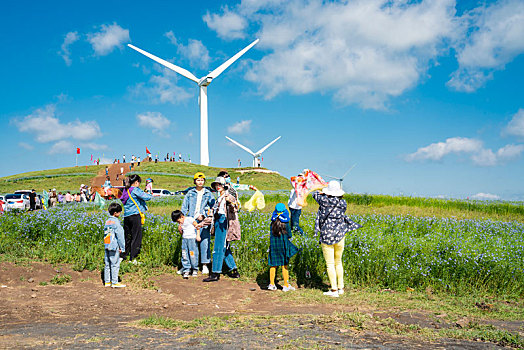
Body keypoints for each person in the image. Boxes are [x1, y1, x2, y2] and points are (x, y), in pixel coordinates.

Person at [312, 181, 362, 297]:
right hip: (340, 235)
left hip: (327, 235)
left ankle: (334, 290)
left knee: (330, 264)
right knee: (338, 262)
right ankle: (341, 288)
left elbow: (314, 194)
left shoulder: (324, 200)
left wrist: (321, 191)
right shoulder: (343, 203)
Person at [203, 176, 240, 282]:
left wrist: (231, 202)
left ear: (224, 186)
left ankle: (215, 273)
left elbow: (235, 205)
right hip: (219, 222)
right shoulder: (218, 199)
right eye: (216, 185)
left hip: (224, 223)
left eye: (220, 185)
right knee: (225, 248)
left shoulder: (228, 196)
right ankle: (234, 270)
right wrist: (201, 224)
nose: (218, 187)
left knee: (218, 248)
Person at [181, 172, 215, 275]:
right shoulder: (190, 193)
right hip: (191, 221)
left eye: (202, 180)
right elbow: (184, 208)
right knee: (191, 244)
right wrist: (182, 222)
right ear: (194, 181)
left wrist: (204, 215)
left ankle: (204, 264)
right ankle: (191, 266)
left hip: (203, 222)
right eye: (198, 180)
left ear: (204, 181)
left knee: (204, 242)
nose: (200, 182)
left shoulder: (208, 193)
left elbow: (213, 207)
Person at [120, 174, 152, 263]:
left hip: (126, 216)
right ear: (136, 182)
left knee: (127, 237)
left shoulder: (125, 190)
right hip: (135, 215)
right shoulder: (135, 190)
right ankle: (133, 258)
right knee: (136, 237)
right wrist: (149, 192)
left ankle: (124, 255)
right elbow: (147, 197)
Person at [268, 203, 299, 292]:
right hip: (283, 246)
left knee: (273, 265)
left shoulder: (272, 223)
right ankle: (286, 285)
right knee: (284, 265)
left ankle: (271, 284)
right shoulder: (286, 223)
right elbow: (289, 235)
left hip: (274, 246)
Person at [172, 210, 201, 279]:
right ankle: (186, 269)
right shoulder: (181, 224)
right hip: (185, 239)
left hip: (192, 239)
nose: (179, 223)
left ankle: (194, 269)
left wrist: (198, 236)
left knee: (192, 254)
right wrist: (180, 230)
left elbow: (197, 227)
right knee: (184, 254)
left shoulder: (190, 219)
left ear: (181, 217)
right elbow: (182, 233)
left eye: (178, 221)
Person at [103, 202, 126, 288]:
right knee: (115, 264)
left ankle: (107, 281)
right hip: (114, 246)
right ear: (115, 213)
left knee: (107, 264)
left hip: (107, 244)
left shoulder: (107, 221)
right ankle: (115, 282)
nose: (120, 213)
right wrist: (122, 248)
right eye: (119, 212)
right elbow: (120, 236)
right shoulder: (116, 222)